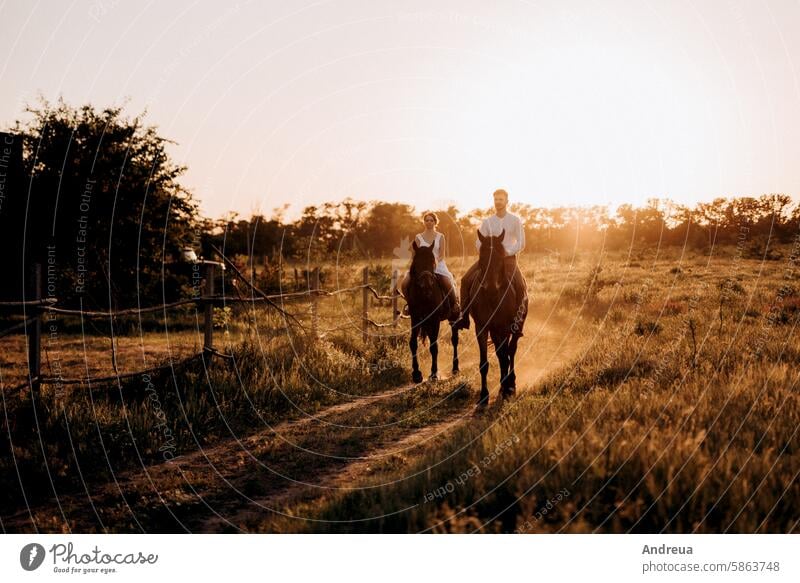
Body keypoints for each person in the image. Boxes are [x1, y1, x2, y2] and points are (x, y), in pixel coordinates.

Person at [454, 189, 528, 335]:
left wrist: (507, 252)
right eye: (496, 199)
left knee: (520, 284)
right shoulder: (488, 222)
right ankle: (464, 316)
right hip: (488, 261)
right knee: (465, 280)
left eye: (501, 199)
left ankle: (517, 321)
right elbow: (478, 242)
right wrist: (485, 252)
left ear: (507, 201)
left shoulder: (515, 220)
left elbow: (522, 242)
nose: (498, 202)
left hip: (508, 260)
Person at [398, 212, 461, 321]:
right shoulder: (418, 237)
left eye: (431, 220)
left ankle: (454, 305)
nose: (429, 222)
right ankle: (410, 305)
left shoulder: (441, 236)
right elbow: (414, 254)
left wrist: (434, 262)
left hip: (437, 265)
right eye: (426, 220)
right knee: (404, 283)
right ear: (424, 222)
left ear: (435, 222)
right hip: (421, 267)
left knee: (447, 282)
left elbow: (442, 255)